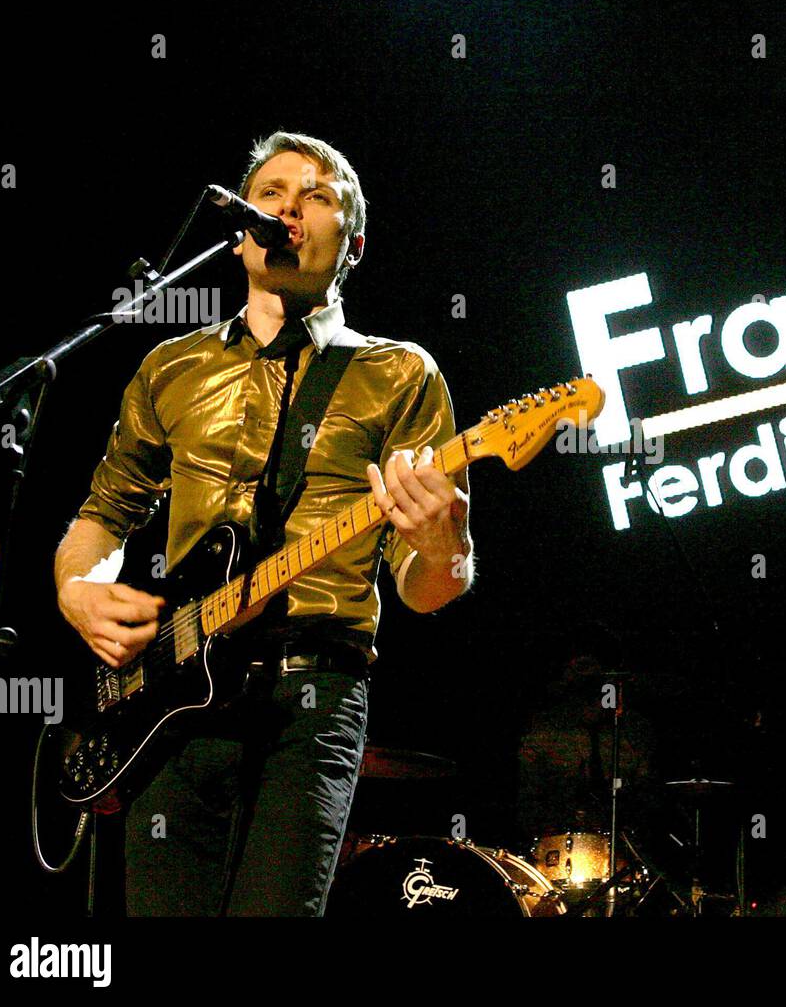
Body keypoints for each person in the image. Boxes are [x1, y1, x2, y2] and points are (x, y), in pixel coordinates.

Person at [53, 131, 474, 916]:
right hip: (170, 699)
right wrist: (78, 588)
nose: (288, 207)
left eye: (316, 196)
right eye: (272, 192)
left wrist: (443, 543)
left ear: (351, 243)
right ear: (242, 230)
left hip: (311, 693)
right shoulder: (170, 367)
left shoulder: (402, 374)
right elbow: (102, 516)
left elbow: (425, 593)